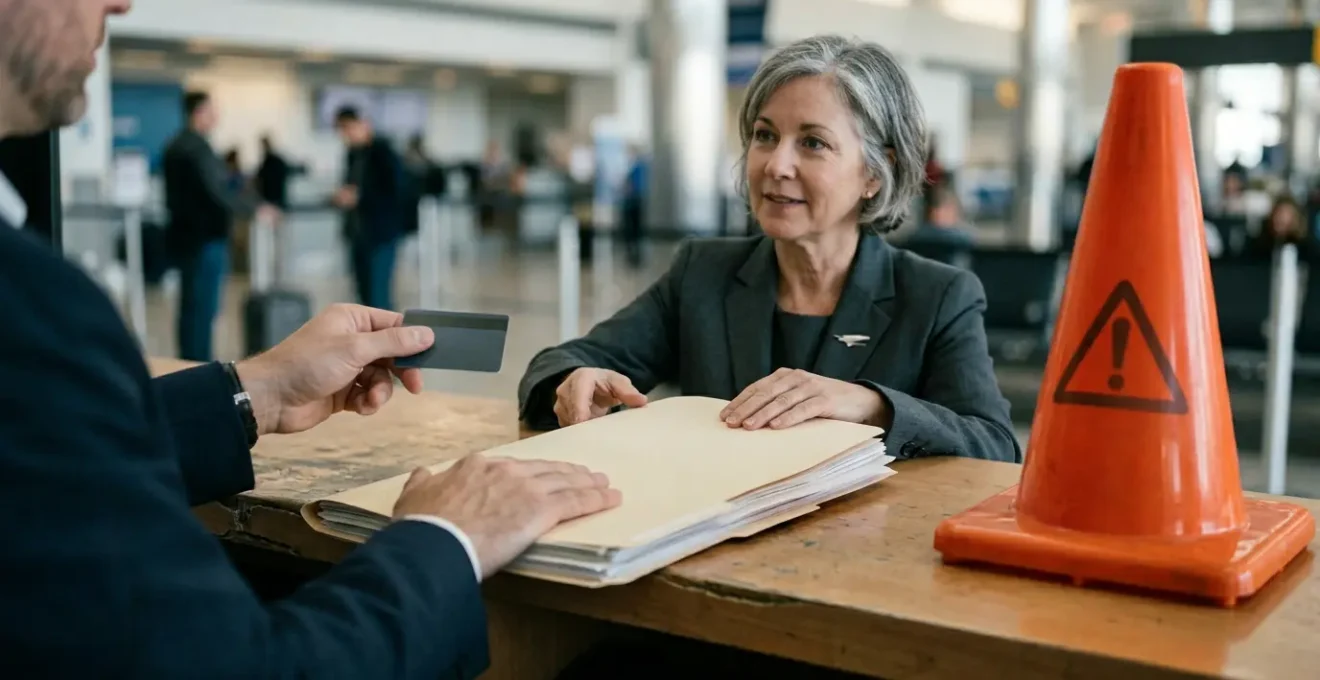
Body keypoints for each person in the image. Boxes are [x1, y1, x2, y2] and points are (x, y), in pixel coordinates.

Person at [0, 2, 620, 677]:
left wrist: (251, 393)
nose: (120, 2)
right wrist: (445, 538)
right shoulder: (32, 307)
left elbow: (39, 461)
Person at [518, 35, 1019, 463]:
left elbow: (995, 446)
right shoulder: (703, 273)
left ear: (874, 171)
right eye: (765, 135)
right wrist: (576, 379)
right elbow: (562, 361)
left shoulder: (937, 297)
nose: (776, 164)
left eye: (813, 143)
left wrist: (872, 405)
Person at [163, 91, 266, 361]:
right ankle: (198, 365)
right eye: (212, 110)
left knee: (191, 307)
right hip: (205, 239)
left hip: (185, 237)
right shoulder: (197, 148)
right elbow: (219, 191)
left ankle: (188, 361)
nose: (216, 116)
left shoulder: (174, 146)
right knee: (202, 308)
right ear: (198, 112)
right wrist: (256, 209)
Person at [333, 106, 405, 310]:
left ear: (363, 124)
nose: (346, 135)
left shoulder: (385, 153)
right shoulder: (352, 155)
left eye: (348, 128)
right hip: (358, 233)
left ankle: (389, 340)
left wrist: (360, 197)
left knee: (378, 297)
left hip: (380, 233)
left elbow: (395, 192)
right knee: (363, 297)